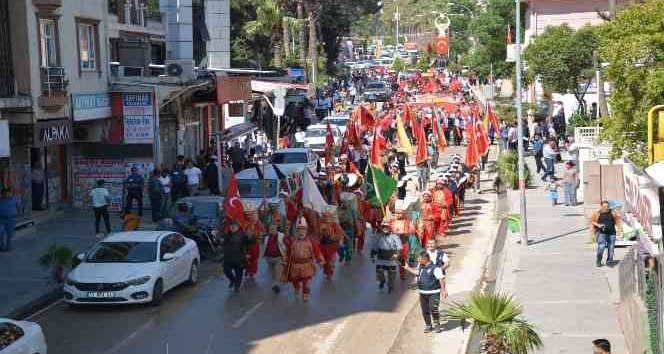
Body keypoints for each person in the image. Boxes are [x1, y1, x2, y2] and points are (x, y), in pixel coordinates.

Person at [404, 251, 447, 333]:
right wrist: (406, 267)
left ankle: (437, 325)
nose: (418, 260)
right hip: (423, 293)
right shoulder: (421, 267)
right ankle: (428, 325)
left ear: (424, 259)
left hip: (434, 292)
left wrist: (443, 290)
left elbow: (441, 279)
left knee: (434, 309)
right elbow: (416, 272)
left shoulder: (435, 268)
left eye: (419, 259)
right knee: (425, 310)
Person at [282, 217, 324, 301]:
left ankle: (305, 294)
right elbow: (287, 251)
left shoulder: (311, 241)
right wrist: (285, 261)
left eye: (303, 229)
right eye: (299, 230)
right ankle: (297, 287)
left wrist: (320, 261)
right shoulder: (292, 241)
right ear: (296, 231)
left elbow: (317, 251)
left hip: (307, 265)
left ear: (306, 230)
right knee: (294, 280)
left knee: (306, 281)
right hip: (295, 265)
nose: (301, 232)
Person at [370, 220, 403, 293]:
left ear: (390, 228)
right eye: (384, 227)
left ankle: (390, 286)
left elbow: (399, 247)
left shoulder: (395, 237)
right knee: (379, 273)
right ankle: (382, 281)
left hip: (391, 260)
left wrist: (396, 254)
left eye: (387, 227)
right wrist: (372, 256)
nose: (385, 228)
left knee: (391, 276)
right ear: (381, 227)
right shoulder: (378, 236)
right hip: (381, 259)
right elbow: (374, 247)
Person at [591, 201, 623, 267]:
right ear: (601, 207)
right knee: (601, 248)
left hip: (612, 233)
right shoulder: (597, 213)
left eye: (607, 206)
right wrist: (598, 225)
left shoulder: (613, 212)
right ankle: (599, 261)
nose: (606, 208)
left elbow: (618, 221)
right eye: (604, 206)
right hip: (602, 234)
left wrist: (620, 230)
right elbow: (592, 221)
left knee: (611, 248)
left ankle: (609, 261)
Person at [223, 219, 250, 293]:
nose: (233, 227)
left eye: (234, 225)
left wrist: (251, 237)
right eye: (231, 225)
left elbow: (249, 243)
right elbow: (223, 245)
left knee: (239, 273)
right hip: (228, 258)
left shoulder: (243, 235)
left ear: (238, 226)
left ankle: (237, 286)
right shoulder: (227, 235)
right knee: (226, 270)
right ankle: (232, 280)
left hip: (239, 257)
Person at [243, 203, 265, 279]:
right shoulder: (244, 223)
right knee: (246, 258)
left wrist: (258, 236)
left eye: (252, 214)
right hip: (246, 244)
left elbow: (263, 231)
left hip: (255, 243)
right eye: (248, 214)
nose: (250, 216)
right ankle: (247, 269)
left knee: (254, 258)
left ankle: (252, 271)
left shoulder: (258, 222)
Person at [263, 224, 286, 294]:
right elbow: (265, 246)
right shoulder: (267, 237)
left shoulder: (282, 236)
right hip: (269, 258)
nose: (271, 230)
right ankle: (274, 283)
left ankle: (277, 284)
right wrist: (265, 256)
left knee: (277, 271)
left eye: (273, 229)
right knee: (272, 272)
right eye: (270, 229)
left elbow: (286, 245)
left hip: (279, 257)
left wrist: (285, 255)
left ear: (276, 229)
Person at [0, 187, 19, 252]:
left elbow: (18, 206)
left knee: (9, 235)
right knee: (0, 233)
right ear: (2, 194)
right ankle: (1, 247)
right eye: (6, 193)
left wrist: (16, 215)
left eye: (9, 193)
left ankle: (8, 248)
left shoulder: (14, 199)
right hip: (1, 220)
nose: (8, 194)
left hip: (11, 219)